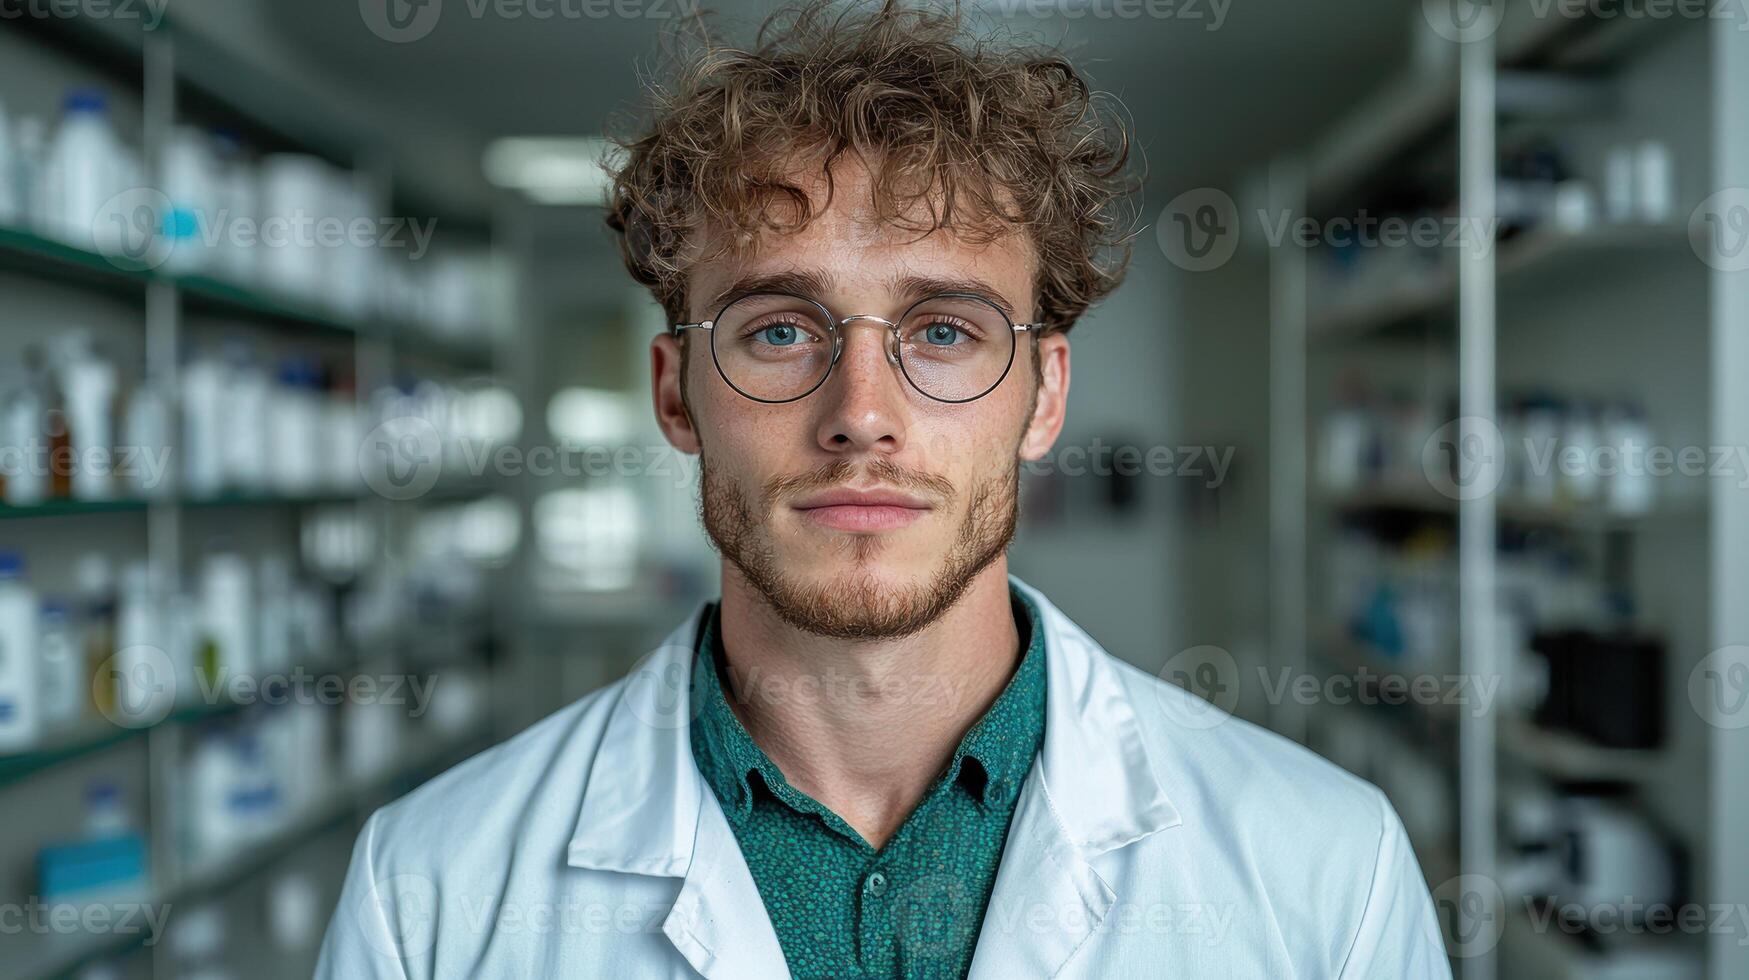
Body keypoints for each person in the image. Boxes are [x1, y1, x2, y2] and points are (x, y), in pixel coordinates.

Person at [316, 2, 1449, 977]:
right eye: (777, 329)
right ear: (676, 394)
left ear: (1044, 396)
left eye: (945, 330)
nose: (861, 409)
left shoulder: (1323, 871)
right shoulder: (433, 892)